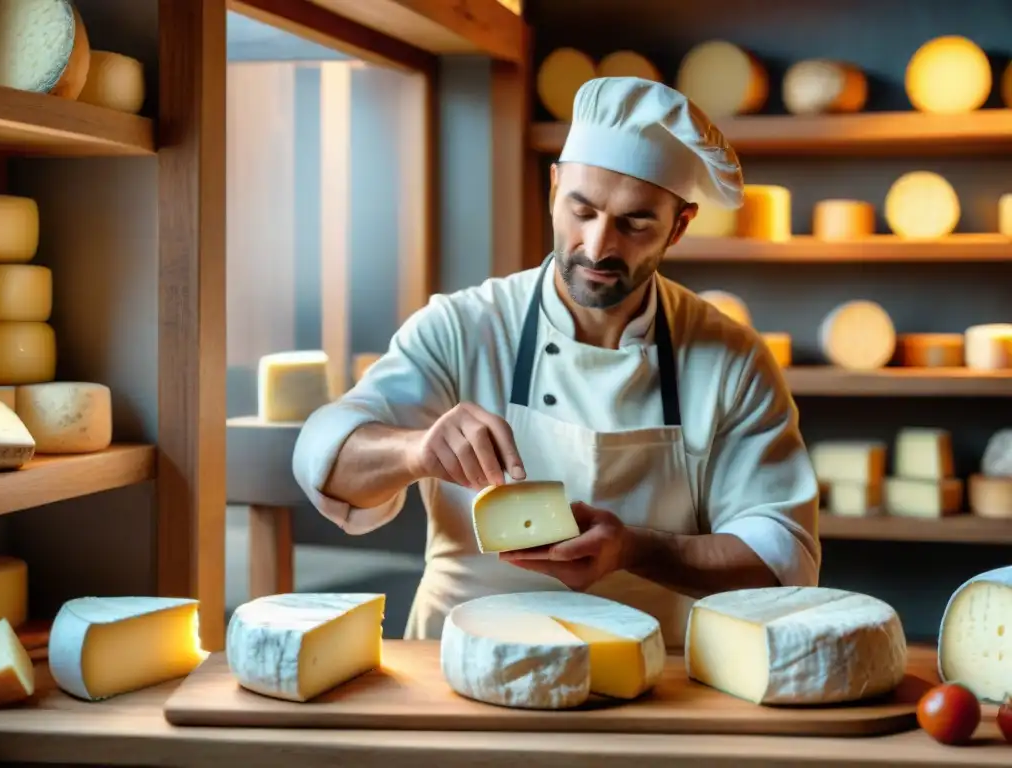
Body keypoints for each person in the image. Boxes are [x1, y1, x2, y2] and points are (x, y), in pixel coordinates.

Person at [292, 76, 821, 648]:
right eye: (583, 209)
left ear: (681, 224)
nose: (597, 247)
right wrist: (416, 451)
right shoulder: (462, 326)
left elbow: (780, 557)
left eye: (635, 222)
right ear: (553, 187)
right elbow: (325, 452)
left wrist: (637, 549)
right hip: (454, 673)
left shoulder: (731, 360)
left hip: (650, 686)